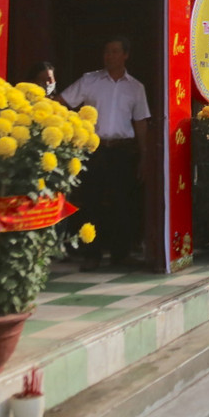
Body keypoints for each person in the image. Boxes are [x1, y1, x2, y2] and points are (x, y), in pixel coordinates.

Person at [60, 37, 150, 270]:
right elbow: (62, 101)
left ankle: (122, 254)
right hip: (94, 150)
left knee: (123, 202)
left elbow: (141, 122)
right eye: (106, 51)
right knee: (92, 201)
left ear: (125, 55)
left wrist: (144, 156)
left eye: (115, 51)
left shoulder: (135, 87)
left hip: (122, 151)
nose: (109, 56)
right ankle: (92, 255)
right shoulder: (89, 81)